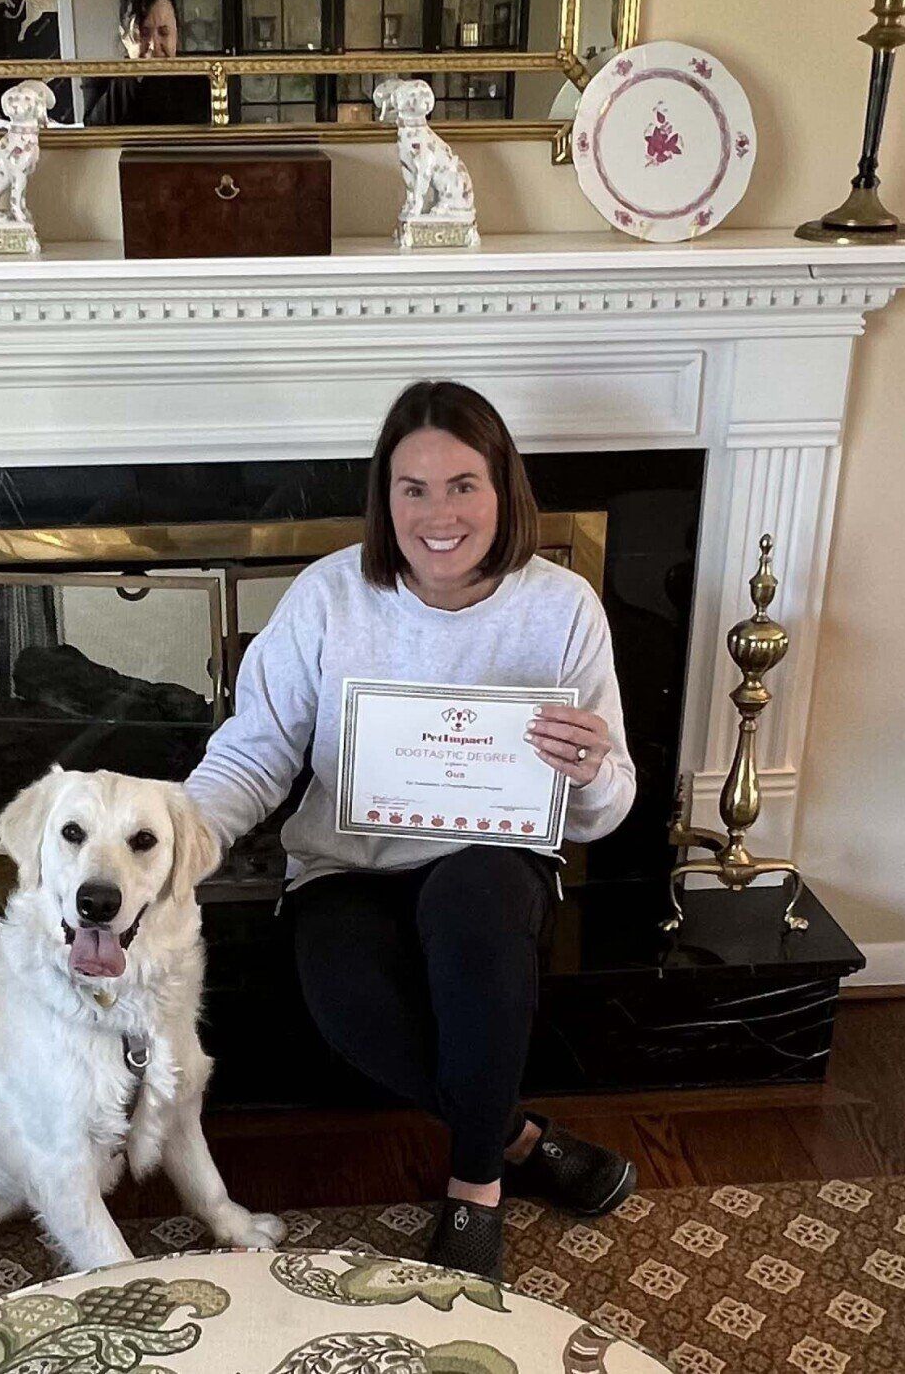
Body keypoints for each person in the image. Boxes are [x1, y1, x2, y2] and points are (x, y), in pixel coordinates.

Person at [184, 380, 640, 1277]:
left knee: (475, 904)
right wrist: (163, 843)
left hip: (492, 860)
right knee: (353, 1005)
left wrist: (589, 769)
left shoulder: (562, 606)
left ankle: (476, 1187)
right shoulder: (329, 596)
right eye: (413, 488)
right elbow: (256, 751)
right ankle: (518, 1137)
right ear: (383, 497)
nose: (439, 512)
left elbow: (607, 798)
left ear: (502, 488)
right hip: (345, 866)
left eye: (463, 483)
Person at [82, 0, 209, 127]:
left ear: (177, 33)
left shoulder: (200, 80)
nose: (154, 46)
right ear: (124, 37)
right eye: (143, 34)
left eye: (163, 33)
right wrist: (134, 75)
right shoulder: (99, 80)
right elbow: (95, 131)